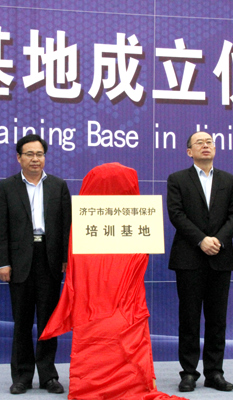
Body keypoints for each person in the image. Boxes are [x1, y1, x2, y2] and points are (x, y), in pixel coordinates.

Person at [40, 162, 185, 400]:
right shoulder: (130, 224)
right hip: (125, 299)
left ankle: (90, 383)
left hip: (92, 300)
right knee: (123, 322)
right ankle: (133, 381)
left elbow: (78, 269)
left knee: (96, 327)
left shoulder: (84, 227)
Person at [0, 134, 71, 395]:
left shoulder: (58, 186)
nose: (35, 159)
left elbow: (66, 226)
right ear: (19, 158)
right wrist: (2, 262)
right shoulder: (5, 187)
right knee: (22, 321)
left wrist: (66, 259)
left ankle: (48, 375)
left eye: (39, 154)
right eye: (29, 154)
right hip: (19, 261)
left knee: (49, 321)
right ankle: (22, 376)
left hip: (50, 259)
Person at [166, 131, 233, 392]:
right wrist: (201, 240)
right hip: (189, 258)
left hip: (220, 257)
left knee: (217, 319)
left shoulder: (228, 180)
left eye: (209, 142)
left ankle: (214, 372)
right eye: (199, 142)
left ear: (215, 148)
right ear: (189, 151)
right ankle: (189, 372)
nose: (205, 145)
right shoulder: (177, 179)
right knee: (189, 319)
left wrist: (218, 240)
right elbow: (176, 214)